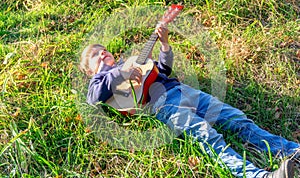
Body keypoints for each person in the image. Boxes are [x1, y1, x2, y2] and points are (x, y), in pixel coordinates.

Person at [80, 24, 299, 178]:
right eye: (96, 56)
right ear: (90, 71)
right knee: (207, 137)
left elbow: (162, 70)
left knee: (238, 120)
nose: (102, 54)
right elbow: (94, 97)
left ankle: (292, 151)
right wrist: (120, 73)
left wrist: (164, 45)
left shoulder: (131, 61)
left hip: (185, 91)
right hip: (163, 104)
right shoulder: (99, 81)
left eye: (104, 50)